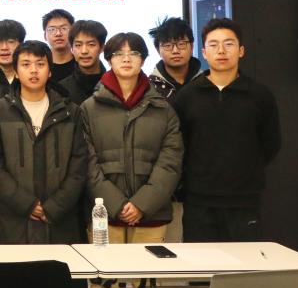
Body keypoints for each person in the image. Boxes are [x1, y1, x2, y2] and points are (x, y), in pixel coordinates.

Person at [172, 18, 281, 242]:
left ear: (241, 51)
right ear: (204, 52)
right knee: (201, 263)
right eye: (213, 45)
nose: (221, 51)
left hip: (244, 201)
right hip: (199, 201)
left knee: (244, 263)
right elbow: (179, 145)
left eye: (229, 44)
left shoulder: (259, 95)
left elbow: (271, 144)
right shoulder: (187, 96)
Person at [0, 41, 87, 244]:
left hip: (60, 219)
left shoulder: (70, 112)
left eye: (40, 64)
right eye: (26, 64)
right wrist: (26, 204)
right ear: (16, 72)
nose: (33, 70)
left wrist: (56, 206)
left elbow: (79, 165)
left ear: (50, 71)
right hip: (14, 219)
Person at [82, 32, 183, 244]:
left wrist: (142, 204)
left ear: (143, 60)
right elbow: (87, 162)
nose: (126, 59)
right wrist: (115, 204)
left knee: (147, 267)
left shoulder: (163, 109)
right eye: (119, 54)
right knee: (104, 266)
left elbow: (170, 162)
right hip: (104, 214)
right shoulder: (89, 108)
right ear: (108, 60)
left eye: (134, 53)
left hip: (151, 214)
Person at [148, 17, 201, 100]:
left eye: (181, 44)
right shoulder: (149, 88)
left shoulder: (206, 82)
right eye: (167, 45)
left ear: (192, 47)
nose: (175, 51)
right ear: (158, 50)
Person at [60, 20, 108, 105]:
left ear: (102, 48)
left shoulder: (114, 85)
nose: (84, 51)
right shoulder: (61, 89)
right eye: (78, 45)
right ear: (72, 49)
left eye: (91, 44)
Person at [42, 9, 76, 83]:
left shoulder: (83, 64)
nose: (58, 33)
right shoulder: (39, 66)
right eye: (52, 29)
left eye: (64, 28)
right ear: (45, 36)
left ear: (73, 33)